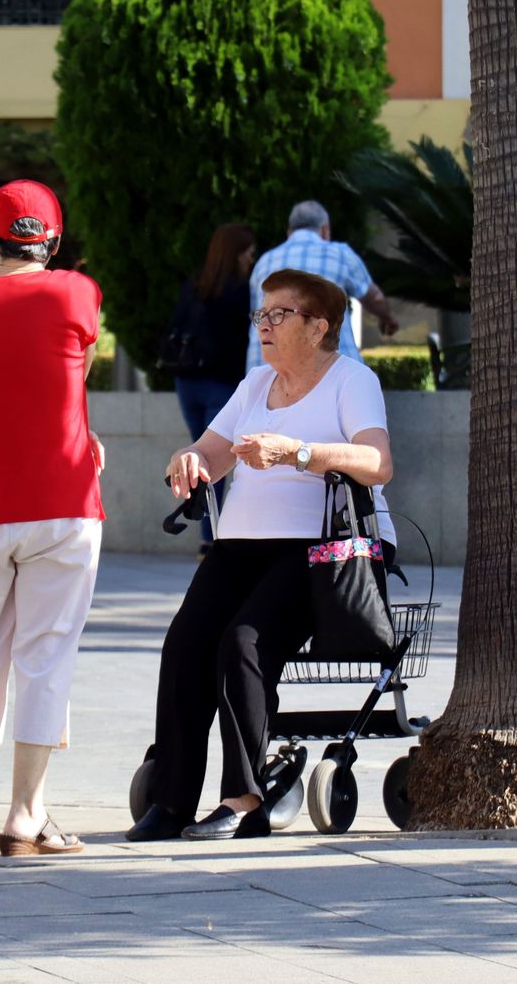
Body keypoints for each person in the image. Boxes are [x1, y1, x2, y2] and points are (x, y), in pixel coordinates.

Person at [129, 269, 396, 842]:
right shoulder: (255, 384)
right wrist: (190, 460)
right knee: (185, 645)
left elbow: (377, 464)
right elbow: (213, 451)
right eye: (262, 314)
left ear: (318, 326)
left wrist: (297, 453)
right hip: (242, 546)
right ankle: (171, 802)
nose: (264, 325)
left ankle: (244, 799)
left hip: (322, 550)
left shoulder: (351, 380)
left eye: (279, 315)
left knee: (243, 644)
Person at [0, 180, 105, 858]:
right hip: (60, 500)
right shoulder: (78, 292)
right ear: (54, 240)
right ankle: (27, 817)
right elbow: (73, 370)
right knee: (44, 656)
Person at [167, 223, 257, 554]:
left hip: (187, 382)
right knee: (214, 461)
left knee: (201, 457)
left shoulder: (195, 285)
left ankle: (209, 536)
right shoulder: (241, 292)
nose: (251, 258)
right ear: (237, 253)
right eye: (249, 252)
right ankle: (213, 537)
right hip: (222, 383)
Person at [244, 201, 399, 371]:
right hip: (333, 375)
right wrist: (387, 318)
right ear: (325, 230)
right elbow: (374, 297)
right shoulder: (340, 255)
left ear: (289, 232)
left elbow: (255, 315)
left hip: (267, 374)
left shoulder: (264, 262)